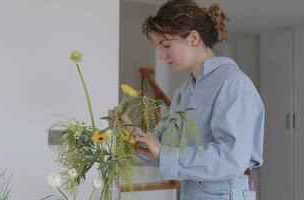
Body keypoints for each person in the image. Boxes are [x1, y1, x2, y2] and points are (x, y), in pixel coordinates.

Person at [108, 0, 264, 199]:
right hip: (191, 190)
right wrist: (132, 135)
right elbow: (165, 148)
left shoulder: (233, 84)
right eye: (158, 47)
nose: (162, 55)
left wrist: (163, 152)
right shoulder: (183, 91)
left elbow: (232, 158)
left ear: (193, 38)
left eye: (166, 45)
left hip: (224, 192)